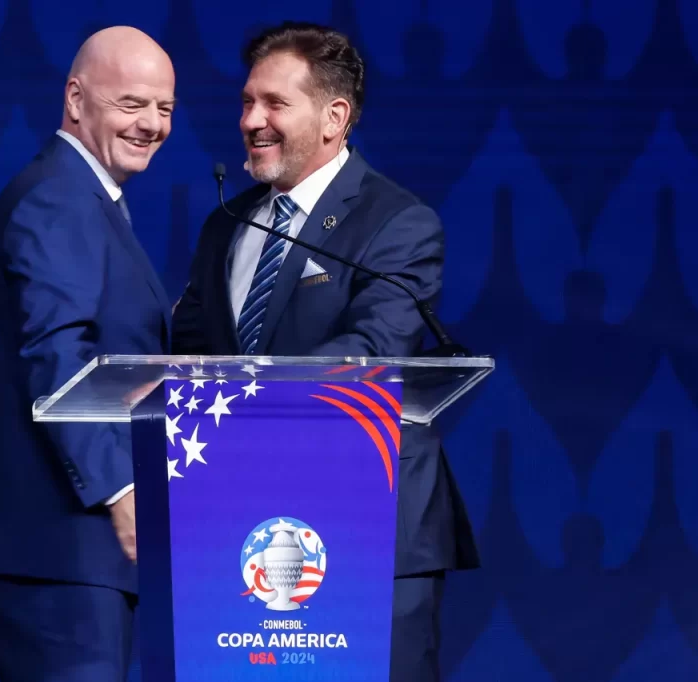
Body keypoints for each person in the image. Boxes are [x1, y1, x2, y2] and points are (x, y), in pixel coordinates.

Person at [171, 22, 478, 682]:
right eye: (247, 102)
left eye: (274, 104)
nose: (251, 121)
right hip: (241, 524)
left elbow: (371, 348)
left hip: (368, 518)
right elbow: (189, 354)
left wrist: (249, 396)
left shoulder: (396, 222)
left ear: (335, 117)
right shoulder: (226, 223)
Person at [0, 26, 176, 682]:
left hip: (68, 551)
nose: (152, 124)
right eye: (132, 103)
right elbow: (57, 355)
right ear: (75, 99)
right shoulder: (59, 198)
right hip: (52, 542)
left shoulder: (85, 198)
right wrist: (121, 488)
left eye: (164, 108)